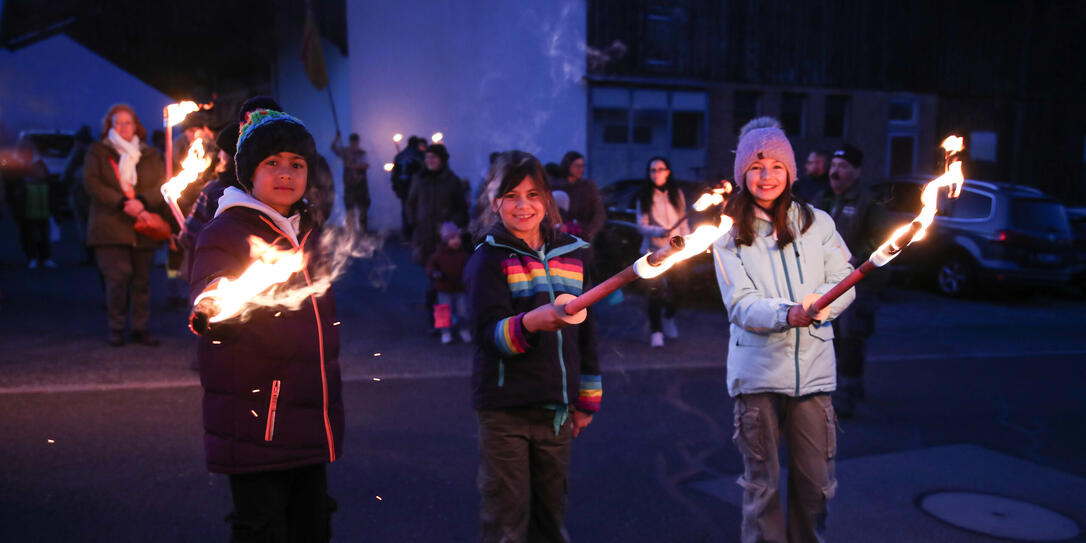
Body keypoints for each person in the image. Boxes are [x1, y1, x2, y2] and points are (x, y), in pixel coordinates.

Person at [188, 109, 343, 542]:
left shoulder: (307, 231)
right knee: (263, 527)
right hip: (261, 417)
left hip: (311, 411)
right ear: (248, 173)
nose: (285, 174)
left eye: (296, 164)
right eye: (271, 163)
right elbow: (211, 282)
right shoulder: (227, 230)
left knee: (312, 524)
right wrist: (214, 302)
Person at [712, 117, 855, 543]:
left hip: (813, 377)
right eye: (756, 167)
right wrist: (786, 312)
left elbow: (844, 280)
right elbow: (739, 303)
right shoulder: (728, 235)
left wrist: (821, 307)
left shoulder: (819, 223)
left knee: (815, 489)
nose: (766, 176)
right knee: (762, 491)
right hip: (757, 379)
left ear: (791, 171)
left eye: (776, 165)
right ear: (742, 176)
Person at [466, 150, 601, 543]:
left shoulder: (574, 256)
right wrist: (529, 322)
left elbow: (588, 333)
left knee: (549, 517)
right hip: (504, 411)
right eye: (511, 196)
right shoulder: (489, 260)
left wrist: (587, 400)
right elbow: (487, 335)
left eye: (532, 194)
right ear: (496, 203)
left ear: (547, 199)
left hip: (556, 410)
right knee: (507, 519)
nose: (523, 205)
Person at [84, 104, 167, 347]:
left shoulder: (149, 154)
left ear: (136, 126)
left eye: (127, 122)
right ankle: (116, 327)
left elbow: (161, 184)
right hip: (111, 226)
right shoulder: (99, 152)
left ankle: (140, 327)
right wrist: (122, 202)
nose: (122, 127)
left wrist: (141, 202)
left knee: (142, 280)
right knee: (117, 278)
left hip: (143, 225)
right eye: (116, 123)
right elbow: (92, 183)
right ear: (109, 126)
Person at [822, 144, 890, 418]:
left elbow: (882, 240)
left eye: (843, 167)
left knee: (851, 336)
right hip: (830, 285)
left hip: (860, 285)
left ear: (856, 171)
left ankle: (847, 393)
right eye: (833, 166)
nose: (835, 171)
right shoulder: (825, 199)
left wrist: (855, 262)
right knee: (833, 337)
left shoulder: (869, 203)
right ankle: (849, 385)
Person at [634, 156, 691, 347]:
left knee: (681, 288)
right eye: (652, 170)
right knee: (655, 291)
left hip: (676, 252)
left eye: (660, 169)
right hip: (653, 251)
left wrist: (688, 242)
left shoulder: (677, 194)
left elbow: (683, 222)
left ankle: (668, 317)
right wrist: (660, 231)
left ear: (668, 171)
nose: (656, 173)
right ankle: (656, 331)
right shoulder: (645, 196)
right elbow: (641, 225)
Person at [426, 222, 472, 344]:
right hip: (444, 289)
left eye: (457, 238)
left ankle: (464, 330)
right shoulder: (438, 255)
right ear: (446, 240)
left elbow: (471, 267)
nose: (456, 241)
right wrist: (435, 273)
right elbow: (430, 267)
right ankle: (445, 333)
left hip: (460, 288)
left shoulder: (464, 255)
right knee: (443, 312)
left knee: (463, 311)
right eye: (452, 238)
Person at [547, 151, 605, 244]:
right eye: (577, 166)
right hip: (559, 239)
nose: (580, 169)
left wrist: (587, 232)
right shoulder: (555, 186)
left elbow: (599, 213)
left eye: (582, 166)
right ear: (568, 166)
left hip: (582, 239)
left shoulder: (588, 187)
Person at [330, 131, 370, 232]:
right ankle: (350, 233)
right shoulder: (345, 152)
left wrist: (352, 166)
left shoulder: (362, 153)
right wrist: (337, 138)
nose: (354, 145)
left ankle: (363, 232)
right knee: (350, 211)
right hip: (349, 186)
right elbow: (333, 148)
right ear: (350, 142)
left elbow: (366, 165)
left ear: (358, 142)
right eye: (352, 142)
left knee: (362, 210)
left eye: (355, 143)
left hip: (361, 185)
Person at [390, 135, 425, 237]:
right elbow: (424, 171)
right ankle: (415, 233)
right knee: (417, 209)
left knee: (405, 209)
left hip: (402, 186)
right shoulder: (419, 155)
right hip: (414, 186)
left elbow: (394, 173)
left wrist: (395, 186)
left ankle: (407, 233)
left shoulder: (399, 156)